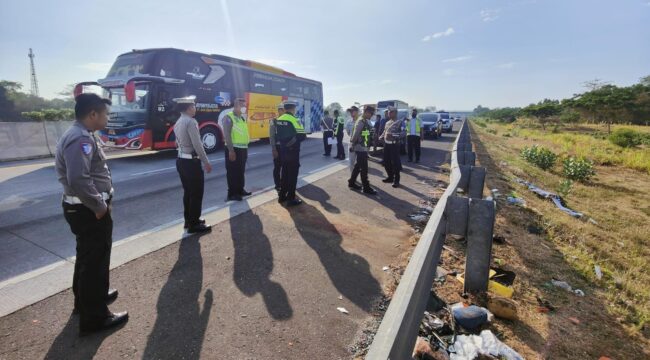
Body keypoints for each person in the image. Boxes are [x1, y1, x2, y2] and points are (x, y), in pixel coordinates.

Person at [55, 93, 128, 335]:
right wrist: (99, 206)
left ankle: (87, 300)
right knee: (94, 261)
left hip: (82, 207)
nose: (107, 118)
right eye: (105, 113)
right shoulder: (79, 139)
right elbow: (78, 178)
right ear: (93, 114)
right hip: (88, 209)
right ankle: (95, 318)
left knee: (88, 258)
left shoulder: (82, 134)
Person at [173, 95, 212, 234]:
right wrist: (206, 162)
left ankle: (188, 220)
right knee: (196, 193)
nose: (195, 108)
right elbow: (198, 144)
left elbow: (176, 143)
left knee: (188, 192)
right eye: (194, 106)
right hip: (191, 162)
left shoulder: (178, 122)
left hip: (181, 160)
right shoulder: (191, 121)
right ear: (189, 108)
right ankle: (194, 224)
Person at [276, 101, 306, 206]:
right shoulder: (294, 119)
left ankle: (281, 197)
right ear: (293, 109)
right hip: (293, 152)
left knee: (284, 174)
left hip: (283, 151)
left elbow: (277, 137)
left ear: (284, 109)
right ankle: (291, 198)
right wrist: (292, 143)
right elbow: (302, 136)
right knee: (292, 175)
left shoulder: (278, 119)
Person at [223, 98, 251, 201]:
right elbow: (227, 135)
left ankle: (240, 190)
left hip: (243, 149)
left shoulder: (241, 118)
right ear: (236, 106)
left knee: (241, 171)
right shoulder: (228, 117)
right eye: (242, 106)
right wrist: (231, 150)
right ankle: (232, 193)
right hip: (233, 149)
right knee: (232, 172)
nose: (244, 108)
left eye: (245, 106)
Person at [348, 105, 377, 194]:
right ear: (366, 112)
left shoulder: (365, 121)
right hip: (360, 148)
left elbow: (367, 132)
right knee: (364, 168)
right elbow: (355, 135)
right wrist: (352, 144)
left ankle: (351, 182)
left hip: (363, 147)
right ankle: (366, 187)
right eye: (371, 114)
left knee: (358, 166)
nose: (371, 116)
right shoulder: (361, 121)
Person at [379, 107, 403, 187]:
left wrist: (393, 135)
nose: (389, 113)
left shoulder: (400, 122)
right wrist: (381, 137)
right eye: (389, 112)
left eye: (391, 112)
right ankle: (390, 177)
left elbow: (404, 133)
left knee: (395, 163)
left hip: (394, 145)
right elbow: (385, 131)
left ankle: (396, 180)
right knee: (386, 162)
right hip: (386, 144)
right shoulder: (387, 122)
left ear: (395, 113)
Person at [269, 103, 285, 192]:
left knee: (285, 167)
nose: (283, 111)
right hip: (278, 148)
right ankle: (277, 184)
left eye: (284, 109)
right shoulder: (274, 121)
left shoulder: (286, 120)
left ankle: (283, 183)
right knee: (277, 167)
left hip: (285, 148)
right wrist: (273, 149)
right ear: (279, 110)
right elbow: (271, 136)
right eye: (282, 110)